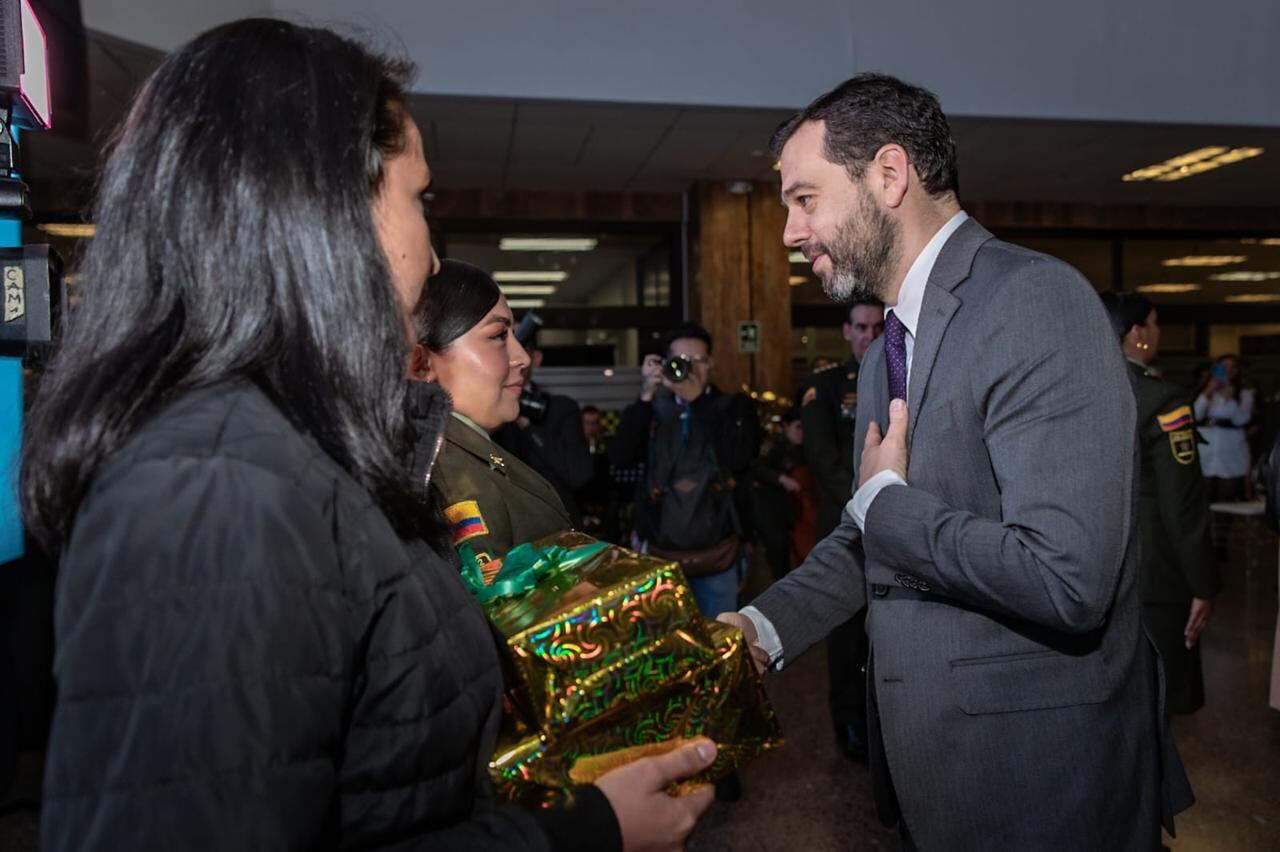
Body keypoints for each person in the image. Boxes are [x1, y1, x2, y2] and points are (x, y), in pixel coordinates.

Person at [21, 20, 714, 851]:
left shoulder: (299, 445)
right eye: (419, 200)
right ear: (324, 217)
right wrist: (587, 834)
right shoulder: (217, 488)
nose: (429, 249)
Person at [719, 73, 1191, 850]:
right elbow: (869, 532)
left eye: (805, 199)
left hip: (1042, 785)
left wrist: (889, 507)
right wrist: (762, 629)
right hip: (934, 772)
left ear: (890, 174)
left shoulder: (1034, 302)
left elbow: (1067, 577)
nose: (789, 233)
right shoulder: (886, 354)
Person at [410, 260, 577, 564]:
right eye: (499, 336)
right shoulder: (452, 476)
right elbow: (495, 603)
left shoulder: (461, 451)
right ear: (424, 363)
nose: (522, 357)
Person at [1101, 291, 1219, 716]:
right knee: (1157, 710)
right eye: (1153, 323)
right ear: (1137, 334)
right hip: (1154, 579)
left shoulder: (1073, 392)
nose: (1156, 332)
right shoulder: (1162, 400)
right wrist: (1203, 583)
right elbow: (1181, 505)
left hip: (1089, 575)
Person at [609, 325, 761, 619]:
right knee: (668, 650)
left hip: (719, 552)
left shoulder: (734, 407)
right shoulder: (653, 409)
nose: (689, 369)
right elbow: (620, 457)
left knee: (721, 642)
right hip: (659, 552)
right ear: (665, 364)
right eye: (680, 361)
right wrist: (646, 394)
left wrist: (699, 403)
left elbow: (739, 458)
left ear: (711, 364)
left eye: (697, 361)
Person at [801, 296, 884, 762]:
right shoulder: (827, 386)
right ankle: (848, 724)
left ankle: (883, 725)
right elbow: (823, 457)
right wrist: (868, 500)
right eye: (860, 327)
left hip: (891, 530)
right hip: (846, 527)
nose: (868, 335)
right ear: (847, 331)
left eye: (876, 327)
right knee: (846, 635)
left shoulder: (901, 376)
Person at [493, 327, 594, 525]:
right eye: (502, 346)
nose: (513, 358)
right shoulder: (484, 411)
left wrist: (528, 427)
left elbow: (578, 475)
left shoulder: (560, 408)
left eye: (520, 346)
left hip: (556, 533)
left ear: (535, 358)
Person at [750, 408, 809, 581]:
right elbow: (758, 468)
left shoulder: (804, 449)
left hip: (796, 511)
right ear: (785, 426)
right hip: (773, 510)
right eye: (798, 427)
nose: (802, 433)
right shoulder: (771, 446)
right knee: (779, 551)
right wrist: (781, 478)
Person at [1195, 354, 1255, 502]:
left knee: (1227, 492)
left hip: (1231, 447)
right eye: (1224, 366)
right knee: (1204, 492)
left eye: (1232, 367)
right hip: (1207, 445)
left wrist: (1229, 399)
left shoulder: (1244, 394)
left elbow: (1242, 420)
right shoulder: (1205, 390)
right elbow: (1195, 415)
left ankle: (1224, 523)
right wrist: (1208, 392)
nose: (1228, 370)